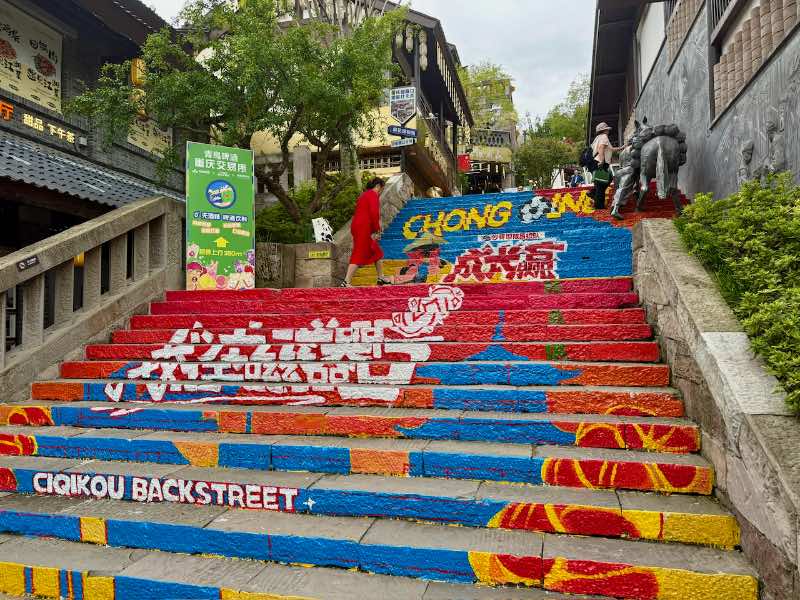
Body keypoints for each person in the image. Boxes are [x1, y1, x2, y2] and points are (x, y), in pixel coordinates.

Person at [342, 177, 391, 287]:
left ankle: (381, 277)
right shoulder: (373, 194)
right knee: (358, 253)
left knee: (376, 251)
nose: (381, 192)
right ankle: (346, 281)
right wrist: (377, 230)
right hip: (363, 227)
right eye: (382, 189)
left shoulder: (364, 195)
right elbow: (374, 213)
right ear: (378, 186)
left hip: (358, 226)